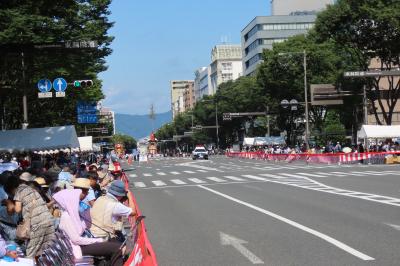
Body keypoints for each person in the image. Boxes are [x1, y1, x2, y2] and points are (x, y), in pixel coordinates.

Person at [53, 188, 124, 265]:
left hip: (84, 243)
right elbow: (76, 240)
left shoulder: (73, 213)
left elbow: (86, 227)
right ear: (71, 201)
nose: (79, 201)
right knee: (117, 248)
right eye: (76, 199)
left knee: (115, 241)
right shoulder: (67, 217)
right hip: (78, 248)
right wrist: (98, 240)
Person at [13, 172, 55, 258]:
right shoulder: (33, 190)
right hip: (48, 221)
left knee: (31, 253)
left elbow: (17, 209)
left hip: (37, 224)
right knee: (45, 252)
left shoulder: (20, 189)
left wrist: (9, 203)